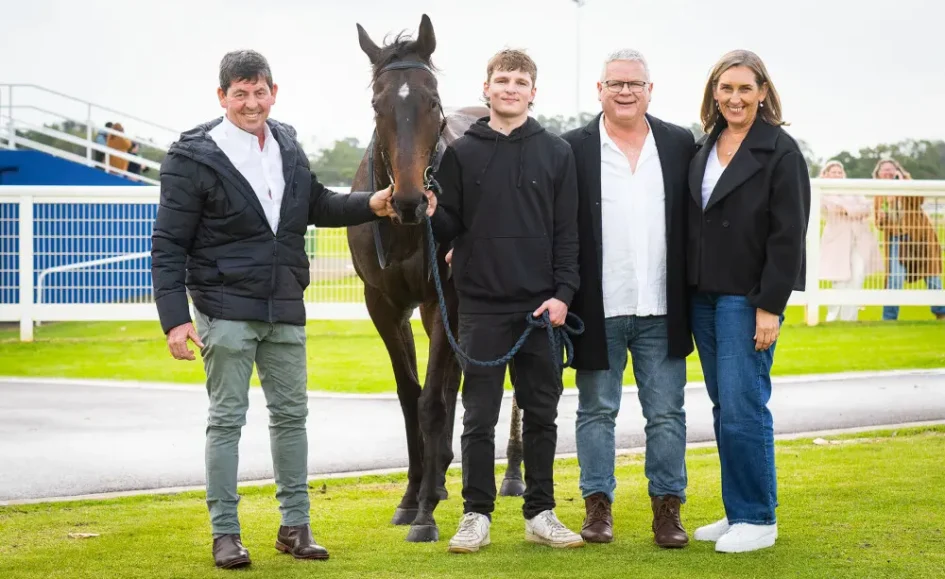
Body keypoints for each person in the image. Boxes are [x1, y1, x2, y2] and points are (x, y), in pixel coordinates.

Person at [150, 49, 426, 570]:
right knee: (226, 422)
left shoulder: (287, 144)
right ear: (222, 97)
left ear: (273, 93)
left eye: (260, 92)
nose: (251, 103)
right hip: (224, 310)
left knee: (292, 419)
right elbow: (168, 243)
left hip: (284, 308)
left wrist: (370, 202)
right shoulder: (192, 157)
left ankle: (296, 527)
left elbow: (316, 204)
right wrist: (175, 319)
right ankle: (225, 533)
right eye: (240, 94)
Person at [431, 48, 583, 553]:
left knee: (541, 415)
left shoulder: (556, 152)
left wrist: (563, 295)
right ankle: (475, 514)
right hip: (481, 307)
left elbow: (568, 233)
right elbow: (449, 226)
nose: (510, 88)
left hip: (540, 309)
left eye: (520, 82)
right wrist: (431, 212)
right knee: (478, 418)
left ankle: (540, 512)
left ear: (533, 92)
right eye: (502, 80)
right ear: (487, 88)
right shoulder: (461, 154)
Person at [560, 49, 694, 548]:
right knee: (596, 411)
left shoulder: (679, 143)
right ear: (599, 89)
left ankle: (668, 509)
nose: (625, 91)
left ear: (650, 90)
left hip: (663, 305)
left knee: (667, 414)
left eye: (634, 84)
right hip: (598, 307)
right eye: (615, 83)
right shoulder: (572, 148)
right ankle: (598, 506)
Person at [687, 49, 810, 553]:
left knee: (744, 407)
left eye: (744, 88)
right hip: (704, 296)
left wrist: (770, 305)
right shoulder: (704, 145)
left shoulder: (781, 150)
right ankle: (738, 509)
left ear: (762, 93)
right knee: (725, 408)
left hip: (748, 297)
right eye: (726, 88)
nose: (734, 98)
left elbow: (788, 236)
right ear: (714, 93)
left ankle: (758, 518)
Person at [872, 158, 945, 321]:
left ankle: (941, 312)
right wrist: (882, 218)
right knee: (895, 278)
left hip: (920, 237)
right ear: (878, 174)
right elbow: (878, 223)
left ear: (897, 171)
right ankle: (889, 317)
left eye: (891, 169)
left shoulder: (907, 184)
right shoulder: (878, 194)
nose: (888, 172)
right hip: (896, 240)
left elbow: (918, 200)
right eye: (884, 169)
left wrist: (903, 182)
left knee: (931, 275)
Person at [818, 160, 882, 322]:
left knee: (857, 276)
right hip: (837, 242)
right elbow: (833, 208)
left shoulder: (853, 189)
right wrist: (853, 210)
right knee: (839, 280)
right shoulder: (822, 191)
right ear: (826, 174)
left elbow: (867, 208)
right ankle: (832, 317)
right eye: (834, 172)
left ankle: (850, 318)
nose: (837, 174)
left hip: (858, 240)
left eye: (840, 172)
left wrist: (848, 210)